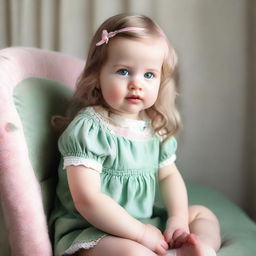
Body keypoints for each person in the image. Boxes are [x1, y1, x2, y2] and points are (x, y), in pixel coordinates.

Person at [50, 13, 221, 256]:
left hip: (144, 222)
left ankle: (196, 248)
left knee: (203, 214)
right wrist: (140, 234)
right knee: (133, 253)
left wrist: (178, 219)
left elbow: (168, 176)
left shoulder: (154, 126)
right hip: (95, 230)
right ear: (97, 75)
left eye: (149, 74)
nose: (136, 84)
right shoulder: (90, 129)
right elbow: (87, 200)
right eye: (123, 71)